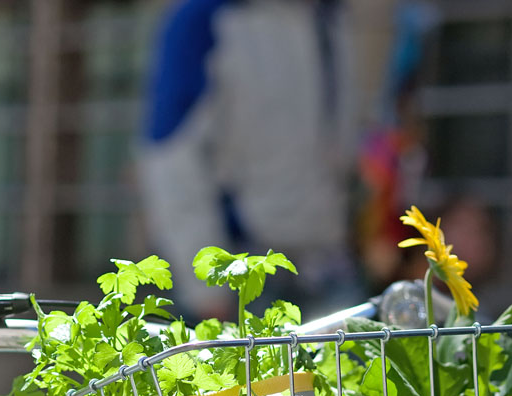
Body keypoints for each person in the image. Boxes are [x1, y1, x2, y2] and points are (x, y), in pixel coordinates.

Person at [137, 0, 360, 319]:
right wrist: (207, 288)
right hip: (242, 275)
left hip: (329, 269)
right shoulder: (205, 20)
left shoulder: (329, 18)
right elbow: (170, 159)